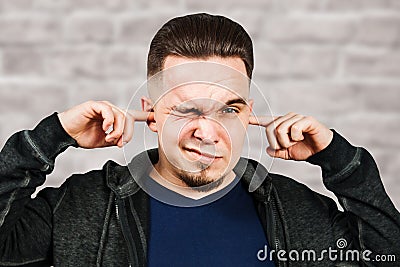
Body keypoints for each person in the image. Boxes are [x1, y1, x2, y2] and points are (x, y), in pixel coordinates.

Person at [0, 13, 399, 267]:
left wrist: (340, 161)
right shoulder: (82, 205)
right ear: (151, 113)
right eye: (186, 110)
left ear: (249, 114)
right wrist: (51, 137)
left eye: (229, 109)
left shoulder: (297, 210)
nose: (207, 132)